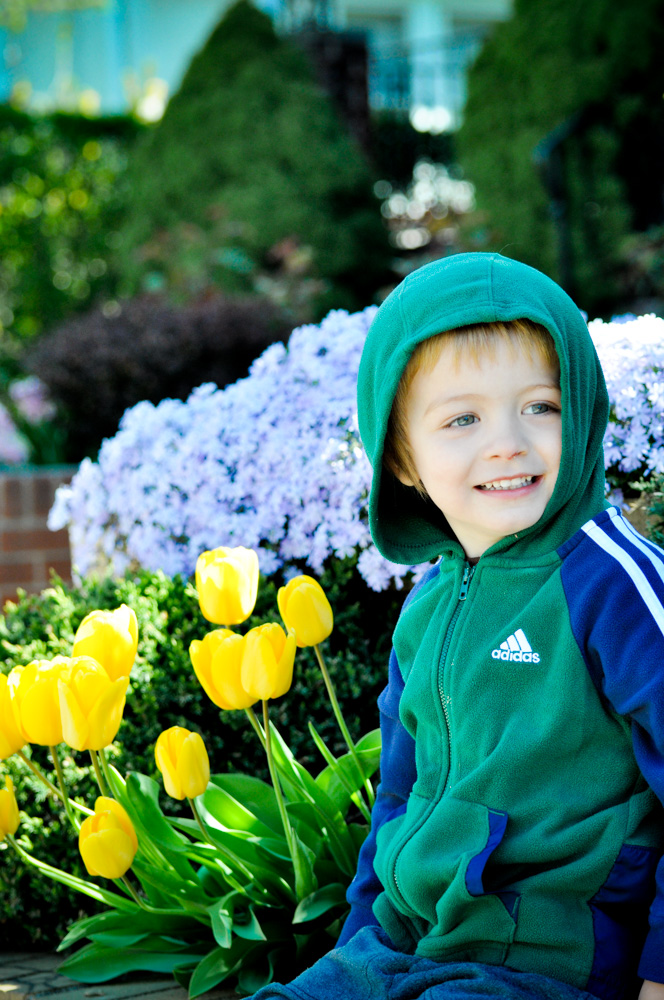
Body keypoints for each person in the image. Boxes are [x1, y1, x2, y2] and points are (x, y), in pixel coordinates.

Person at [249, 253, 664, 1000]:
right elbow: (399, 797)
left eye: (541, 405)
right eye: (462, 418)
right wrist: (354, 954)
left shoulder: (615, 584)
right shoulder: (428, 608)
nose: (506, 441)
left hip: (549, 962)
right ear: (403, 458)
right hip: (406, 944)